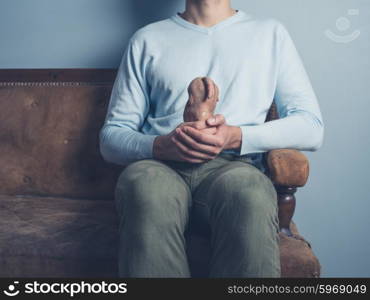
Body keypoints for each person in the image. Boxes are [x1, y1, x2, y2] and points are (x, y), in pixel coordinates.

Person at [99, 0, 324, 278]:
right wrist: (161, 146)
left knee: (250, 192)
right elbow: (111, 138)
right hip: (160, 165)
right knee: (145, 187)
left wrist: (235, 136)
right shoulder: (147, 39)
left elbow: (311, 127)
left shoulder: (270, 34)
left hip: (235, 167)